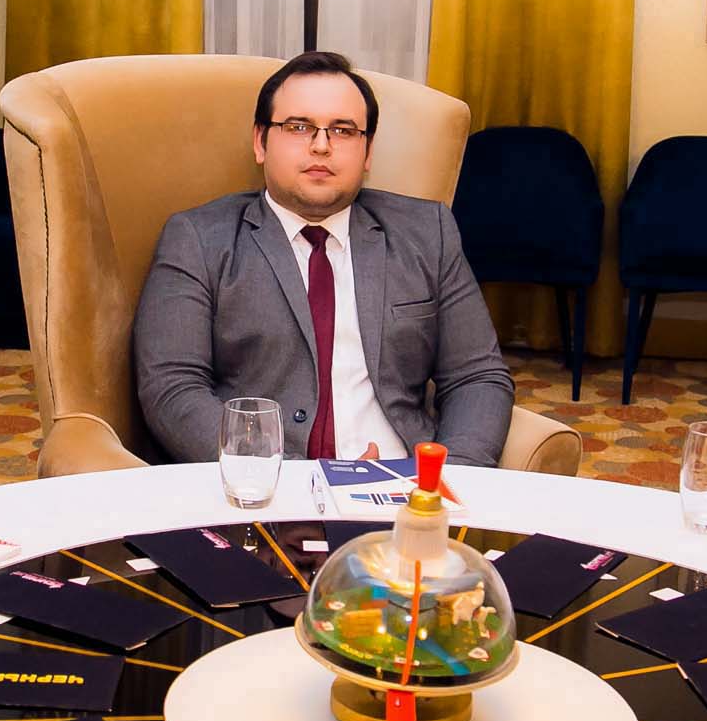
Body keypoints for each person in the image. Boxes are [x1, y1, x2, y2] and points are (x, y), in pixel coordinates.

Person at [133, 50, 513, 469]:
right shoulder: (199, 239)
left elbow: (477, 377)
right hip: (266, 486)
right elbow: (172, 389)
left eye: (343, 130)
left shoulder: (427, 233)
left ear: (368, 152)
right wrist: (288, 476)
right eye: (298, 127)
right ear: (261, 141)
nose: (321, 145)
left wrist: (442, 481)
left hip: (401, 487)